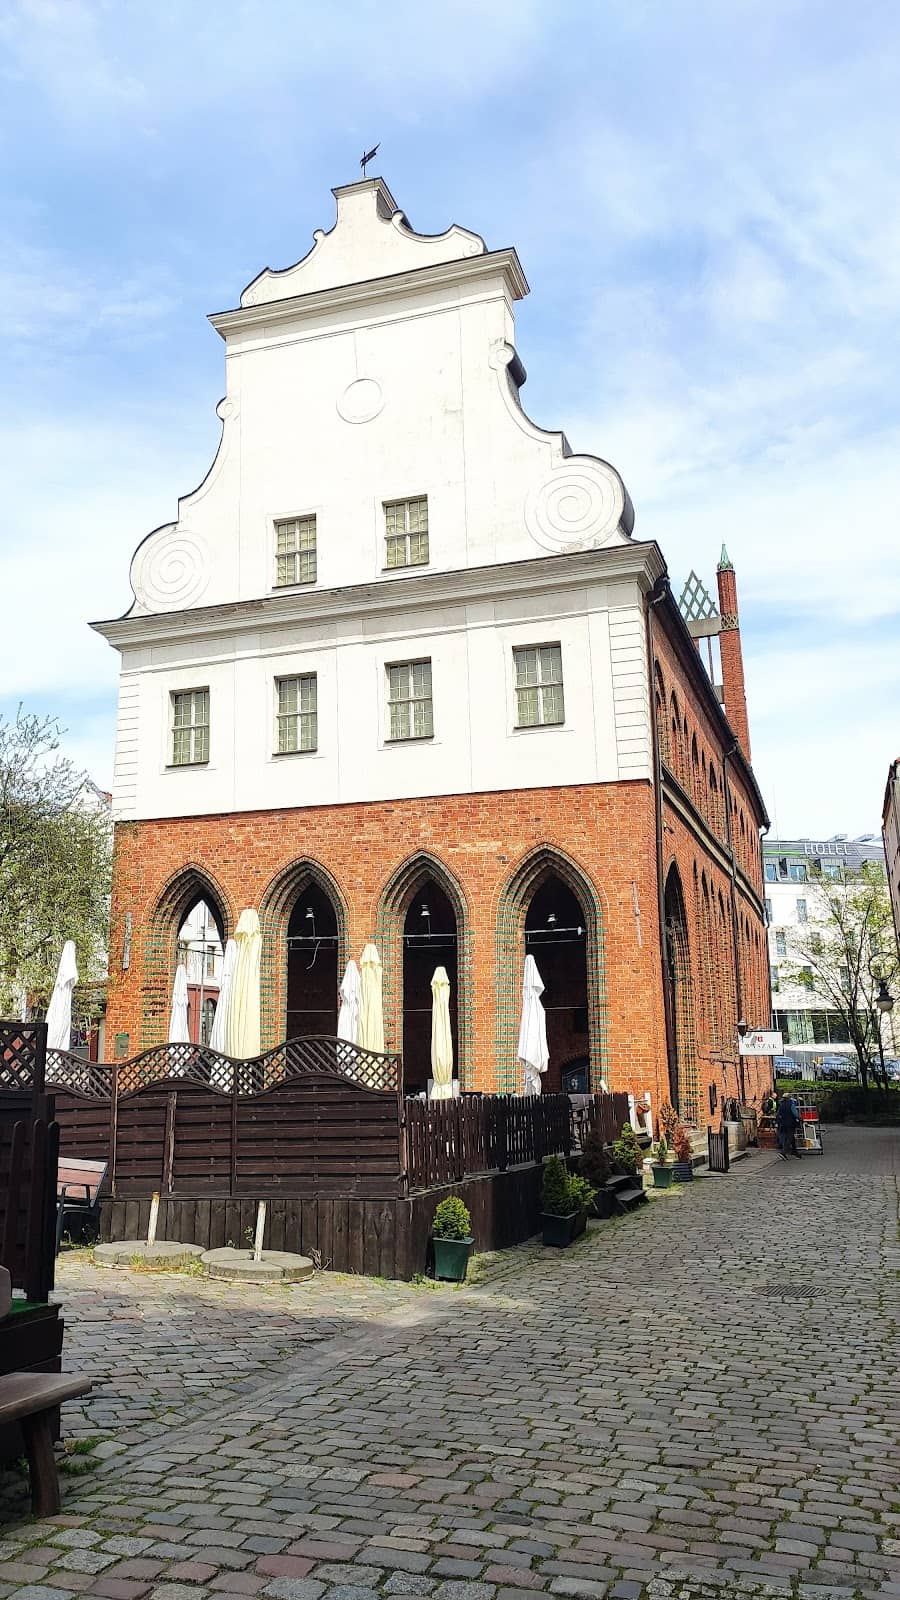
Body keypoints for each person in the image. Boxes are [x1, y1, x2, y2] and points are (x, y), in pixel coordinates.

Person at [775, 1092, 802, 1160]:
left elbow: (778, 1114)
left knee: (791, 1138)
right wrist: (800, 1118)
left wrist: (778, 1122)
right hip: (790, 1123)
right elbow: (795, 1113)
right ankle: (783, 1152)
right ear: (789, 1098)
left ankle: (795, 1152)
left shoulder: (781, 1105)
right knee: (789, 1138)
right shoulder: (791, 1104)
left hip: (783, 1124)